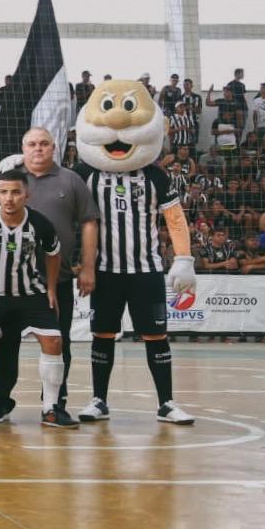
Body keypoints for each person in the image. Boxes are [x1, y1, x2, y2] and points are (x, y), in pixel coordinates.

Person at [74, 79, 196, 425]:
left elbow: (174, 219)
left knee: (156, 335)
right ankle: (99, 400)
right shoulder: (85, 173)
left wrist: (184, 259)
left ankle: (166, 403)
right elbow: (61, 198)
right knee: (103, 334)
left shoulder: (156, 177)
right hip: (104, 271)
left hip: (146, 270)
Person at [0, 127, 99, 422]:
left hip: (53, 282)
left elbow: (88, 222)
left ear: (54, 147)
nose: (38, 149)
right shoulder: (4, 176)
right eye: (31, 144)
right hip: (8, 283)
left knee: (59, 344)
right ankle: (0, 401)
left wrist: (87, 266)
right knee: (4, 344)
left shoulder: (71, 180)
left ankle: (55, 404)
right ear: (22, 148)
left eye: (44, 144)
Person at [0, 171, 75, 429]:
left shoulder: (40, 223)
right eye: (3, 192)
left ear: (26, 195)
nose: (9, 198)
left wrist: (52, 289)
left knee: (54, 340)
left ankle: (52, 409)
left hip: (30, 294)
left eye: (15, 192)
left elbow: (53, 253)